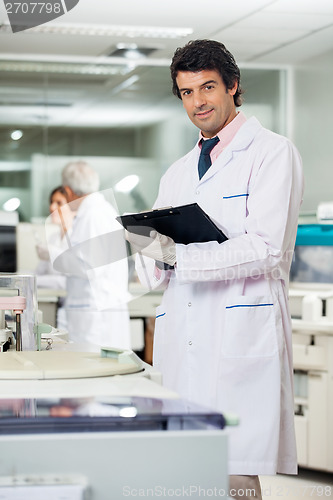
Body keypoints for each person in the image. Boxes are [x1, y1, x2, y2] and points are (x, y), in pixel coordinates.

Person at [126, 39, 304, 499]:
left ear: (233, 86)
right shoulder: (178, 171)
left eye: (208, 87)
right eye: (187, 92)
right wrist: (144, 250)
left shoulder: (272, 153)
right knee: (187, 472)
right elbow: (157, 255)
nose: (198, 102)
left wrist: (180, 258)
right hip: (184, 336)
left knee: (235, 477)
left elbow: (265, 248)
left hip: (240, 337)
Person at [56, 161, 131, 350]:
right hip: (94, 310)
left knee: (95, 369)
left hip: (95, 315)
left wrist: (57, 256)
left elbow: (88, 266)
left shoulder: (93, 215)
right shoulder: (97, 211)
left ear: (68, 190)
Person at [35, 186, 74, 330]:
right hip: (55, 305)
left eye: (59, 203)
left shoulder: (77, 237)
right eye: (51, 202)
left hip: (72, 310)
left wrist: (35, 280)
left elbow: (67, 281)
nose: (52, 207)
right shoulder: (52, 238)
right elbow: (39, 272)